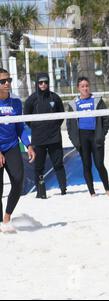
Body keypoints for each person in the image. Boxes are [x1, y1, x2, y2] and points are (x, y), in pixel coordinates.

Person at [0, 68, 36, 233]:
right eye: (3, 81)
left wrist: (28, 145)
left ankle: (7, 217)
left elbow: (20, 126)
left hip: (12, 145)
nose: (7, 83)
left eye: (9, 80)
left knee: (18, 181)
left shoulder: (15, 102)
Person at [67, 77, 109, 197]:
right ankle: (92, 192)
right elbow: (69, 125)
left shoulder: (97, 100)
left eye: (87, 85)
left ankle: (107, 189)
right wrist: (75, 140)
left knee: (99, 164)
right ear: (78, 88)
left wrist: (101, 135)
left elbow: (105, 119)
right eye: (82, 86)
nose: (85, 88)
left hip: (96, 136)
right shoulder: (73, 104)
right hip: (82, 137)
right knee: (86, 165)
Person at [24, 73, 67, 198]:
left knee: (58, 164)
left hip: (54, 138)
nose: (43, 84)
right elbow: (26, 118)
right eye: (40, 82)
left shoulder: (55, 98)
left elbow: (61, 116)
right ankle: (40, 192)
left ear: (48, 83)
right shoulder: (31, 100)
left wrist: (53, 127)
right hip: (39, 139)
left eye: (45, 82)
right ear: (37, 84)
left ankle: (63, 189)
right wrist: (37, 128)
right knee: (39, 167)